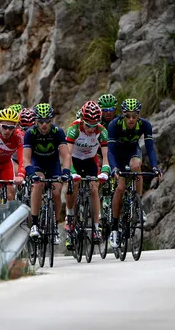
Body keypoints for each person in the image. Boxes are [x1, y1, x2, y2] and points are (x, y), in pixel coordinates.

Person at [107, 98, 163, 248]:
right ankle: (114, 230)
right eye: (128, 116)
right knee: (119, 188)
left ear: (139, 115)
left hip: (132, 152)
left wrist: (155, 167)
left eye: (134, 116)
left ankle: (137, 203)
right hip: (117, 156)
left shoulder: (145, 125)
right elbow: (110, 151)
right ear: (123, 115)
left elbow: (150, 149)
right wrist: (113, 168)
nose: (131, 119)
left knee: (137, 165)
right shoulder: (114, 125)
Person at [64, 101, 110, 248]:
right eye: (88, 125)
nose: (91, 129)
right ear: (82, 120)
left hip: (90, 160)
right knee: (74, 184)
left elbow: (106, 157)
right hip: (74, 160)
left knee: (94, 188)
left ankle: (97, 227)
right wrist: (71, 172)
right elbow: (67, 155)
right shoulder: (74, 129)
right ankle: (70, 215)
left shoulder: (102, 131)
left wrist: (105, 171)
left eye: (94, 125)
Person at [24, 103, 71, 245]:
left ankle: (55, 227)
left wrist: (66, 172)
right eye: (40, 121)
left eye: (47, 121)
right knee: (38, 185)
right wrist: (31, 173)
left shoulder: (57, 132)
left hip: (53, 164)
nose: (44, 125)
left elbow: (66, 155)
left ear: (52, 120)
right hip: (37, 163)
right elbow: (26, 158)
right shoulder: (30, 133)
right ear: (35, 121)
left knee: (57, 192)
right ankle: (35, 224)